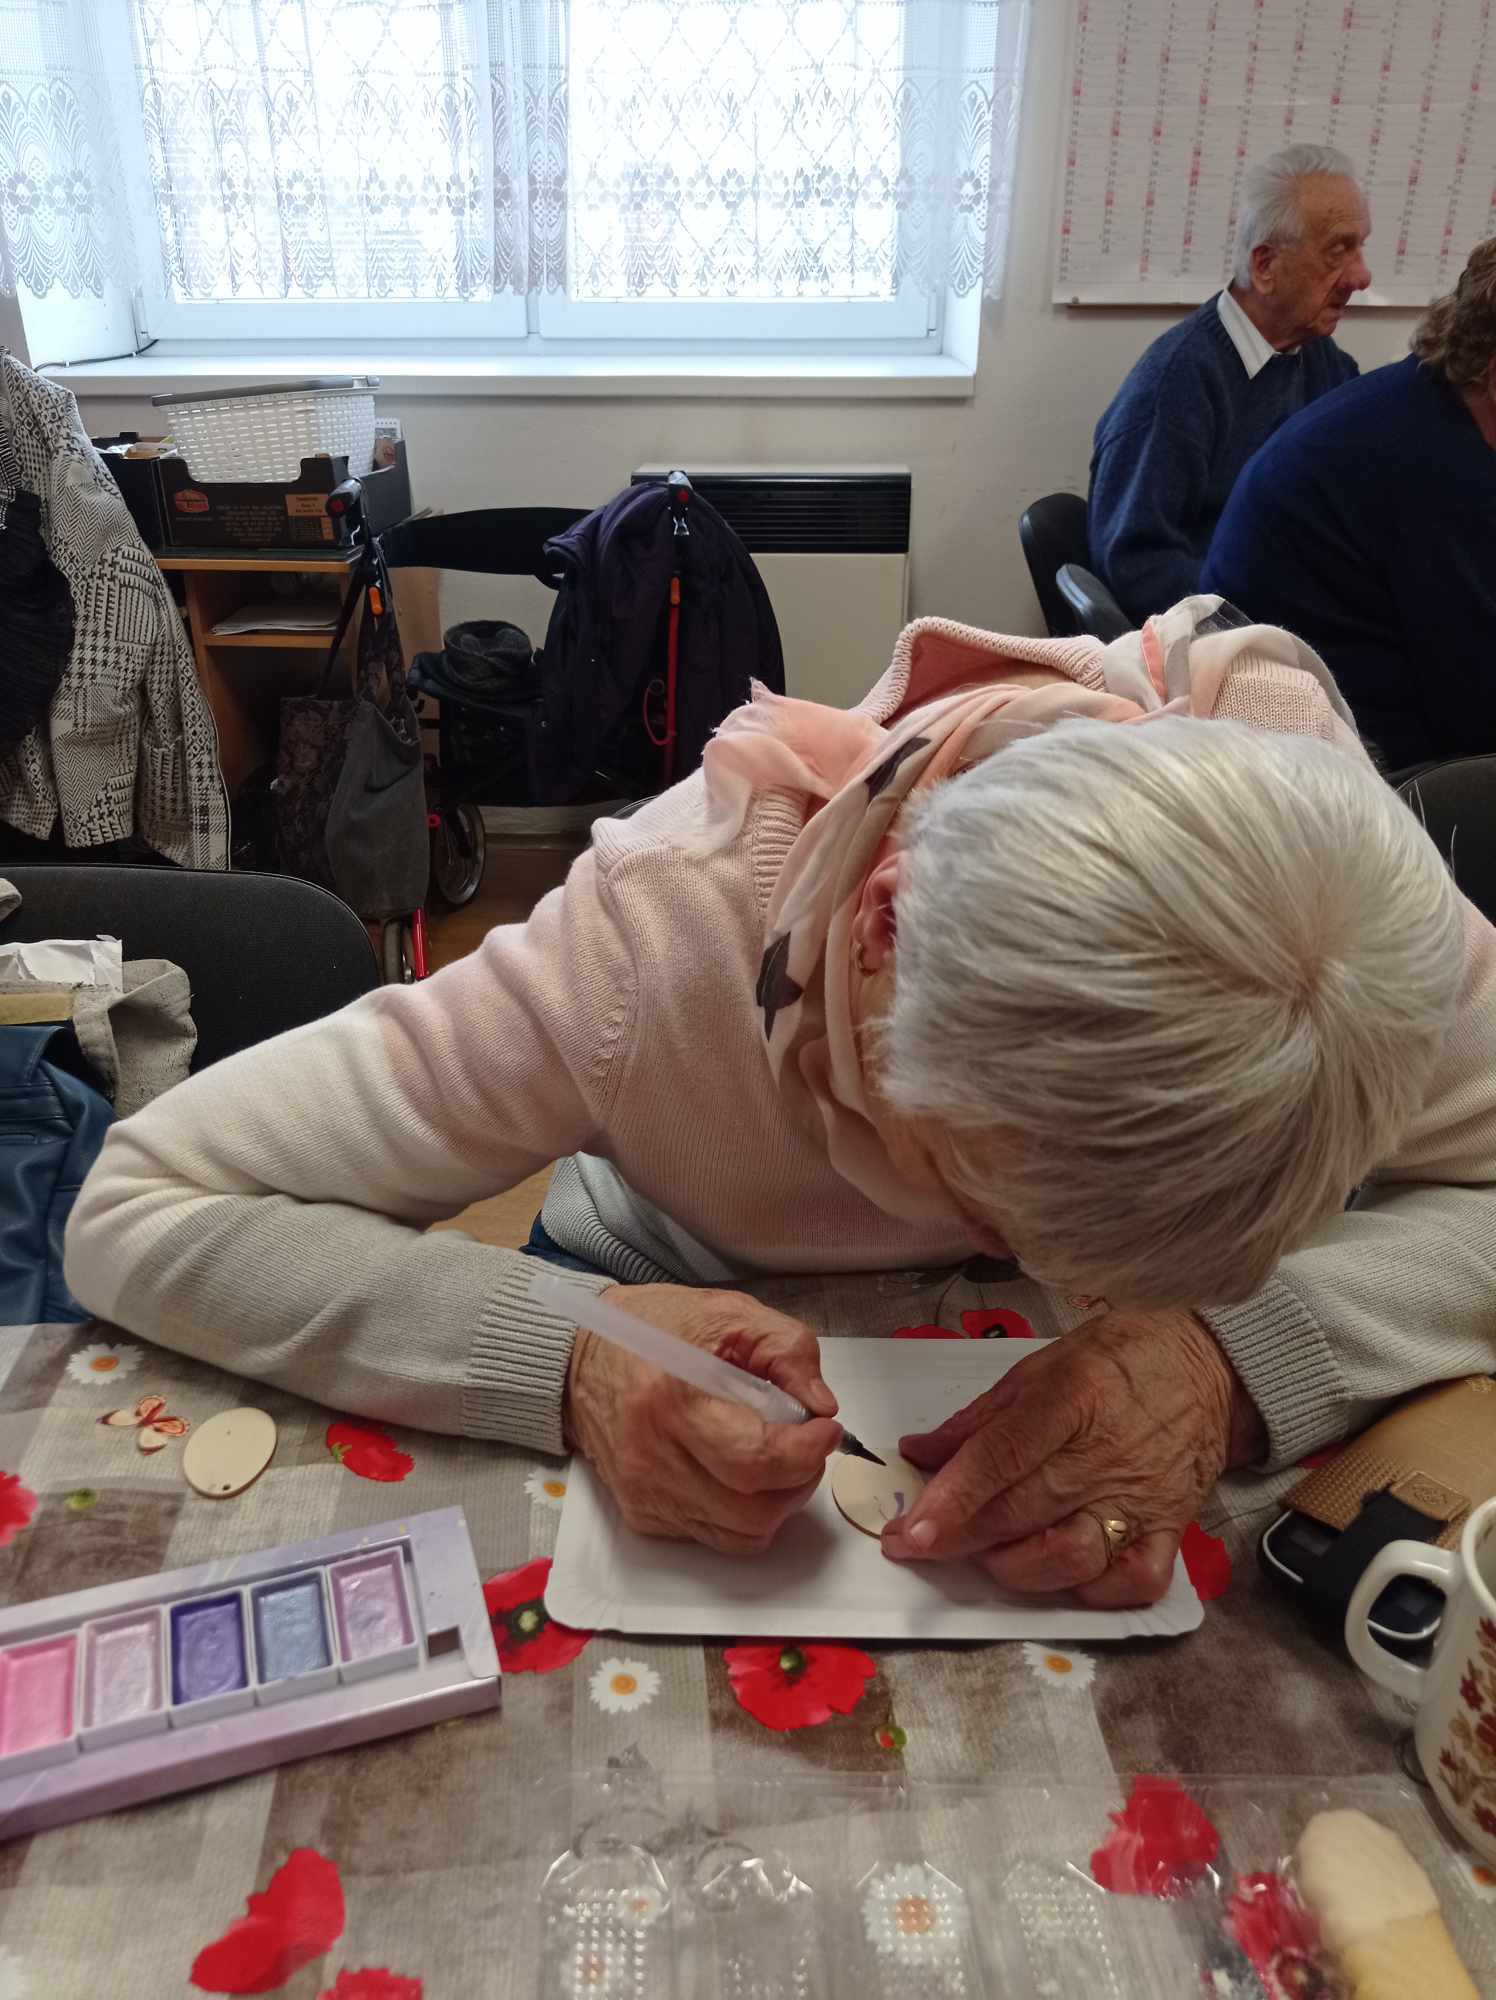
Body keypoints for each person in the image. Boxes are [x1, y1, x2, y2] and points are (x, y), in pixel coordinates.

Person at [64, 600, 1496, 1610]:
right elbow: (141, 1204)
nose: (1054, 1273)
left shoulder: (1358, 924)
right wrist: (576, 1353)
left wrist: (1226, 1352)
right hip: (679, 1298)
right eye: (989, 1194)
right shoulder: (648, 946)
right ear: (881, 929)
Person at [1202, 239, 1496, 772]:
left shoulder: (1421, 397)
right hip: (1316, 758)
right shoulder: (1430, 465)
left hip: (1308, 710)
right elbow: (1475, 710)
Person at [1088, 145, 1371, 625]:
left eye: (1360, 247)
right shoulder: (1176, 385)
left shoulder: (1325, 365)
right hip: (1223, 644)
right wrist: (1265, 615)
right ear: (1265, 267)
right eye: (1337, 251)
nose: (1362, 276)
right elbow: (1134, 565)